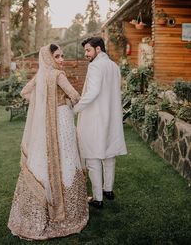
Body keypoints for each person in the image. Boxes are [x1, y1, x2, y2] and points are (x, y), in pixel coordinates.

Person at [8, 44, 88, 240]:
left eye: (62, 56)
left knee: (48, 157)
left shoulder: (42, 75)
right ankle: (67, 211)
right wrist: (67, 103)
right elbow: (75, 96)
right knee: (66, 158)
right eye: (57, 56)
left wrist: (42, 103)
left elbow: (25, 92)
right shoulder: (58, 75)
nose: (61, 60)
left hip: (46, 123)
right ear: (50, 58)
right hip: (61, 120)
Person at [74, 37, 127, 209]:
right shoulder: (114, 66)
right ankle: (108, 190)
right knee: (109, 154)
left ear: (98, 49)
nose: (86, 54)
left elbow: (93, 92)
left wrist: (75, 108)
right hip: (111, 116)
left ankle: (97, 198)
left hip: (95, 117)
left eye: (88, 50)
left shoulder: (95, 66)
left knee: (92, 156)